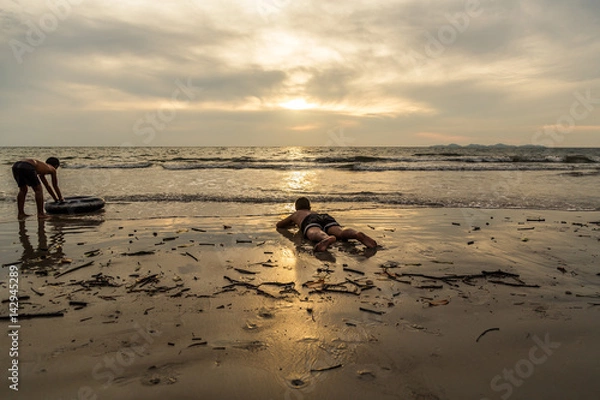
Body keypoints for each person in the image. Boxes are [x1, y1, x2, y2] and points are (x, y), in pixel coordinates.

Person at [276, 197, 377, 252]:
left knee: (314, 232)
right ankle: (356, 234)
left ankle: (326, 238)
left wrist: (293, 222)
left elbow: (279, 224)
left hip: (309, 220)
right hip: (324, 217)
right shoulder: (314, 212)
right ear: (310, 208)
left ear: (296, 208)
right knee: (340, 232)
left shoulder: (296, 214)